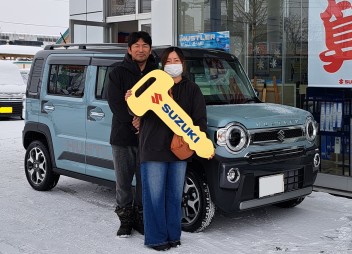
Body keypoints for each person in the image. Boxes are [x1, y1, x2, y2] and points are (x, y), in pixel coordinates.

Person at [126, 46, 212, 251]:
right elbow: (135, 110)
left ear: (183, 64)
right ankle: (156, 239)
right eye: (169, 61)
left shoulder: (192, 89)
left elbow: (200, 120)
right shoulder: (152, 84)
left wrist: (197, 141)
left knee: (175, 196)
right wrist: (131, 100)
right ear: (162, 64)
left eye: (176, 60)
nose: (173, 64)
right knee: (154, 196)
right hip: (153, 147)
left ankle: (173, 236)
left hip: (179, 150)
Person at [107, 31, 157, 238]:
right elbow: (115, 102)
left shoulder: (157, 73)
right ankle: (125, 221)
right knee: (124, 183)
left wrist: (144, 119)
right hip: (122, 137)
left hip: (150, 137)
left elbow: (163, 103)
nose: (140, 49)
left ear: (150, 49)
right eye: (136, 45)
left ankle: (141, 219)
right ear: (129, 49)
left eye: (145, 45)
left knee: (145, 182)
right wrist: (133, 119)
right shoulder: (117, 71)